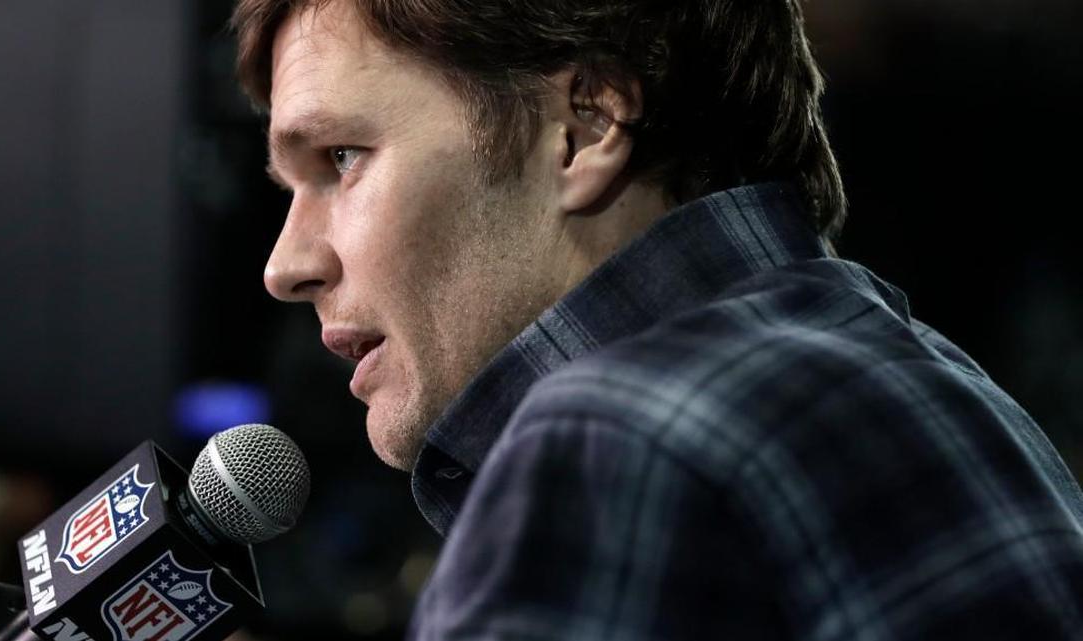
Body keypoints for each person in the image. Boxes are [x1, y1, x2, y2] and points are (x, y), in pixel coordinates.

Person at [233, 0, 1083, 638]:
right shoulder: (944, 386)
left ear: (585, 125)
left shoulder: (614, 434)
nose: (285, 265)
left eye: (342, 158)